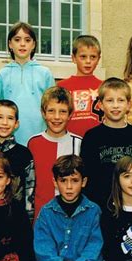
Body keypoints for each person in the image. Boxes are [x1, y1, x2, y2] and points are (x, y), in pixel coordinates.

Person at [34, 155, 103, 261]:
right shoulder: (46, 212)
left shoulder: (93, 211)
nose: (69, 187)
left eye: (75, 180)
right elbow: (43, 244)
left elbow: (96, 243)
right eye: (63, 181)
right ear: (55, 182)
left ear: (84, 182)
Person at [80, 77, 132, 210]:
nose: (116, 105)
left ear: (129, 105)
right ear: (100, 105)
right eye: (110, 100)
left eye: (121, 100)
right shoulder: (92, 137)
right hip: (99, 206)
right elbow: (87, 176)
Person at [28, 86, 82, 219]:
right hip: (41, 218)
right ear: (43, 113)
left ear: (70, 114)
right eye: (51, 111)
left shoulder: (79, 143)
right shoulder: (33, 143)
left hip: (71, 218)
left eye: (63, 111)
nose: (57, 117)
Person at [0, 22, 55, 145]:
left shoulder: (45, 73)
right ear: (10, 44)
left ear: (33, 45)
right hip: (9, 139)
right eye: (17, 40)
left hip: (40, 136)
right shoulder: (3, 74)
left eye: (27, 40)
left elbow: (52, 107)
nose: (22, 44)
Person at [0, 99, 35, 221]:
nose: (4, 123)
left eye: (10, 118)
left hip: (13, 218)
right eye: (0, 117)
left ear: (16, 124)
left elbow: (29, 190)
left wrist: (28, 219)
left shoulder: (24, 154)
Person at [57, 35, 103, 137]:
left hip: (98, 140)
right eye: (83, 57)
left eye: (93, 57)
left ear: (98, 59)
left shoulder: (104, 87)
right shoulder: (61, 86)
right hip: (68, 140)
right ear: (73, 58)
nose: (88, 61)